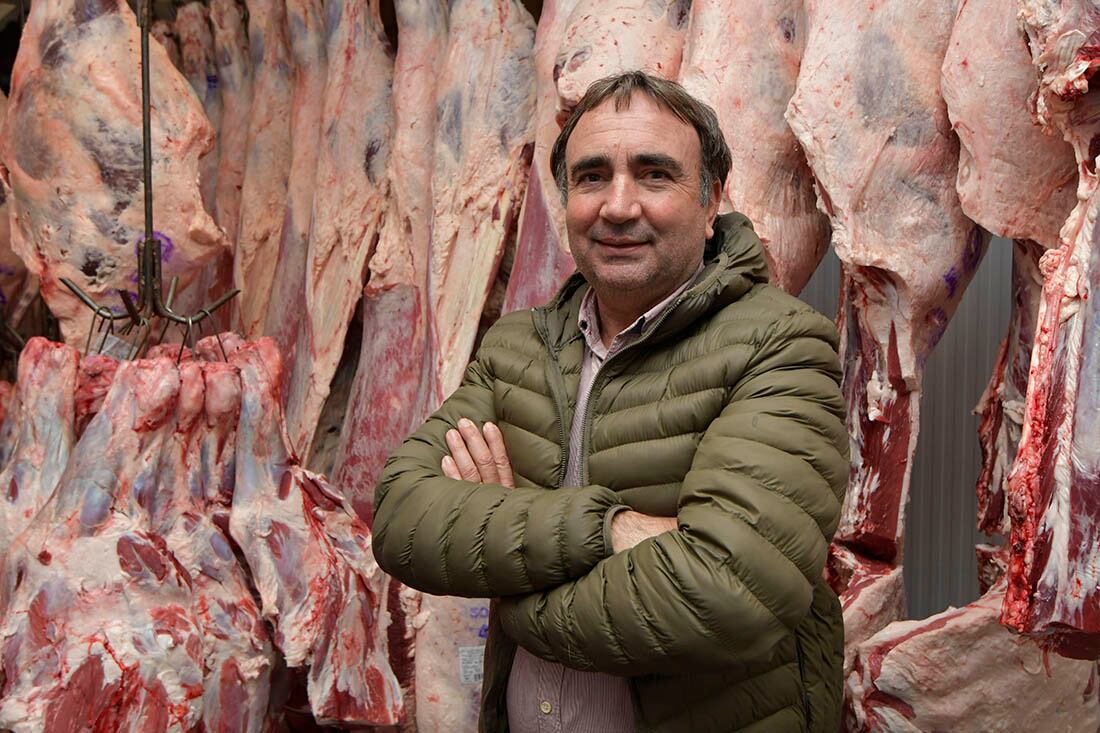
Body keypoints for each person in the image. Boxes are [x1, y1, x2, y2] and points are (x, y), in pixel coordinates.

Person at [373, 70, 849, 733]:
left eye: (654, 175)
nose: (618, 205)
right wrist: (610, 529)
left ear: (712, 203)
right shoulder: (517, 348)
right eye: (593, 176)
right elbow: (401, 516)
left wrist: (511, 583)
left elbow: (728, 592)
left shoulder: (780, 343)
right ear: (566, 201)